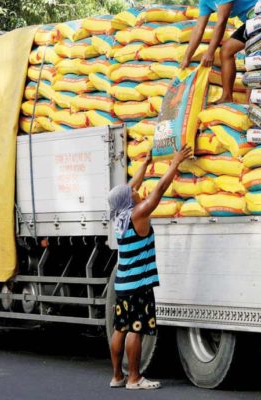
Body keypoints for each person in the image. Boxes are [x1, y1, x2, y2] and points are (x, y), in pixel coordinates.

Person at [108, 145, 193, 390]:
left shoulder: (119, 215)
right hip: (138, 285)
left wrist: (145, 165)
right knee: (136, 329)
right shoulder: (139, 214)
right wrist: (175, 162)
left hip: (123, 283)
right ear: (128, 199)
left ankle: (117, 376)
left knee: (120, 329)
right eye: (132, 191)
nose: (135, 189)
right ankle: (134, 378)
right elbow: (160, 190)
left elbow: (131, 187)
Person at [179, 0, 261, 103]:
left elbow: (221, 21)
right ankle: (227, 97)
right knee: (225, 51)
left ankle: (250, 104)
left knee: (249, 55)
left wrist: (210, 52)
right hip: (250, 23)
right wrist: (187, 58)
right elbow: (199, 29)